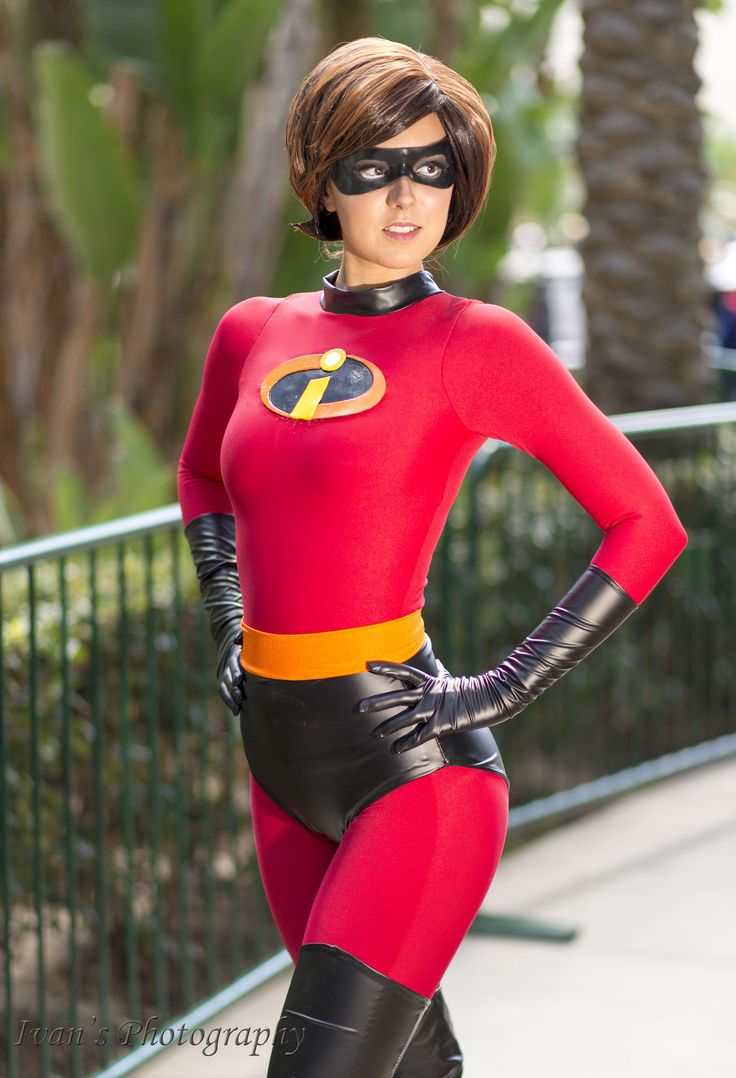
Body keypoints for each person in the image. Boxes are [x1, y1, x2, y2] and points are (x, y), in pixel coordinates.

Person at [177, 37, 687, 1077]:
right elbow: (204, 481)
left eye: (432, 165)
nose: (407, 194)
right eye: (373, 165)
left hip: (412, 771)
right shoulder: (252, 331)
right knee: (410, 1067)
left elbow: (647, 520)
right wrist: (229, 617)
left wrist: (495, 690)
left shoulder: (475, 341)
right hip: (277, 761)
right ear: (321, 177)